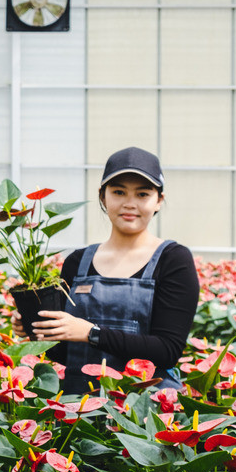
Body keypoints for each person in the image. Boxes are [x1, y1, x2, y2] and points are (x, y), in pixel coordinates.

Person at [17, 146, 200, 395]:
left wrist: (91, 334)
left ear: (158, 201)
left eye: (142, 194)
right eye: (118, 192)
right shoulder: (77, 262)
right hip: (78, 409)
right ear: (103, 197)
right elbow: (65, 353)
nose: (129, 203)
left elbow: (167, 351)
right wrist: (37, 331)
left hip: (144, 413)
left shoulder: (173, 260)